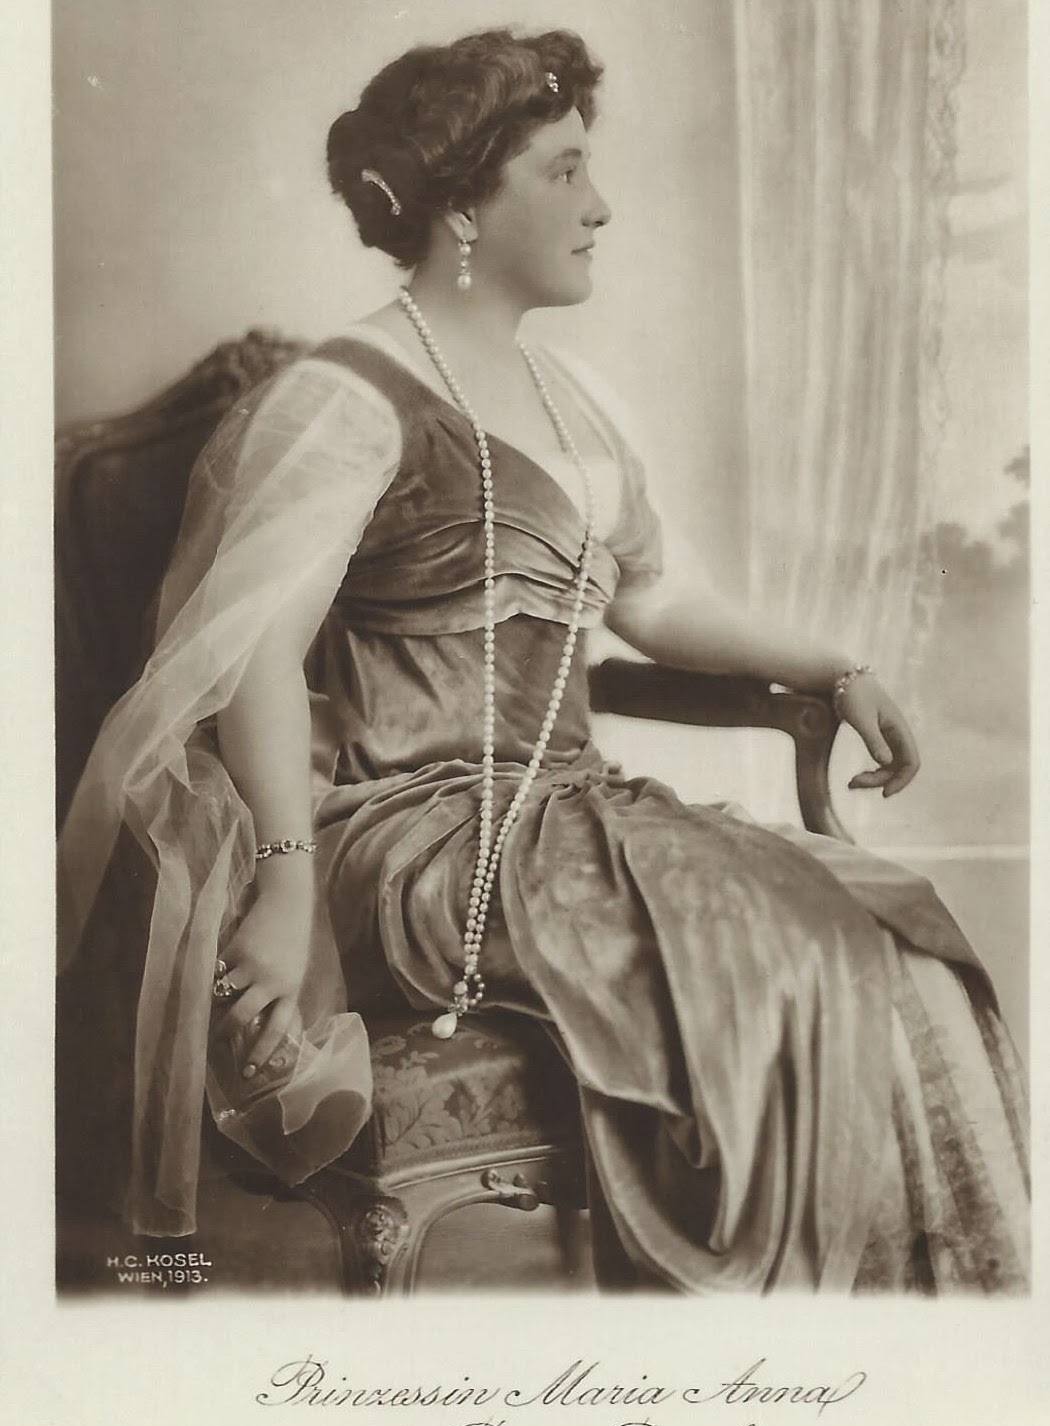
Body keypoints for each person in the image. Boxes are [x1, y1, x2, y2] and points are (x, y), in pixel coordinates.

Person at [59, 27, 1028, 1290]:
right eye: (565, 172)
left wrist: (839, 665)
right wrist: (285, 888)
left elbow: (656, 598)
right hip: (408, 835)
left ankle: (903, 1324)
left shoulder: (575, 401)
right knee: (779, 950)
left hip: (568, 814)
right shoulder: (345, 397)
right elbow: (250, 660)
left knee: (889, 933)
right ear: (465, 204)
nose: (601, 206)